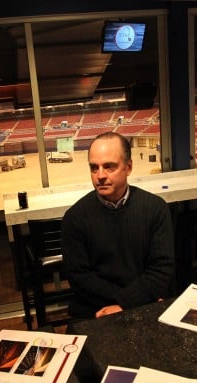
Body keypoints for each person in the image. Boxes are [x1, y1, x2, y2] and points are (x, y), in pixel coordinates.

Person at [61, 131, 175, 319]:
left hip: (142, 305)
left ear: (128, 167)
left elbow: (161, 270)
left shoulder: (155, 208)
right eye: (94, 168)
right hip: (98, 309)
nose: (100, 175)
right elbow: (79, 278)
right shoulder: (74, 217)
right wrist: (130, 301)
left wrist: (126, 304)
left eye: (109, 167)